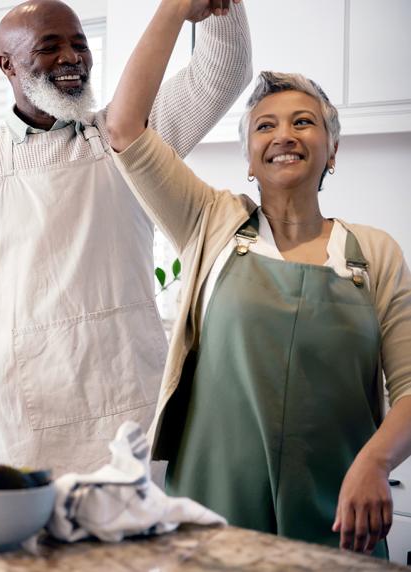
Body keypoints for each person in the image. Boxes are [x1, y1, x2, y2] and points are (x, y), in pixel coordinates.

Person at [0, 0, 252, 476]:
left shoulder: (129, 132)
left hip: (132, 407)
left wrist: (221, 5)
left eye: (79, 44)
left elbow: (222, 73)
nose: (71, 57)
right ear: (6, 65)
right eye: (49, 47)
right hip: (24, 420)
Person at [105, 0, 411, 556]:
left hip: (339, 512)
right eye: (265, 126)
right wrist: (175, 9)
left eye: (304, 122)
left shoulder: (374, 253)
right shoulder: (210, 222)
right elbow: (124, 126)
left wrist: (375, 461)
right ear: (248, 157)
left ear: (332, 150)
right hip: (213, 509)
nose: (284, 135)